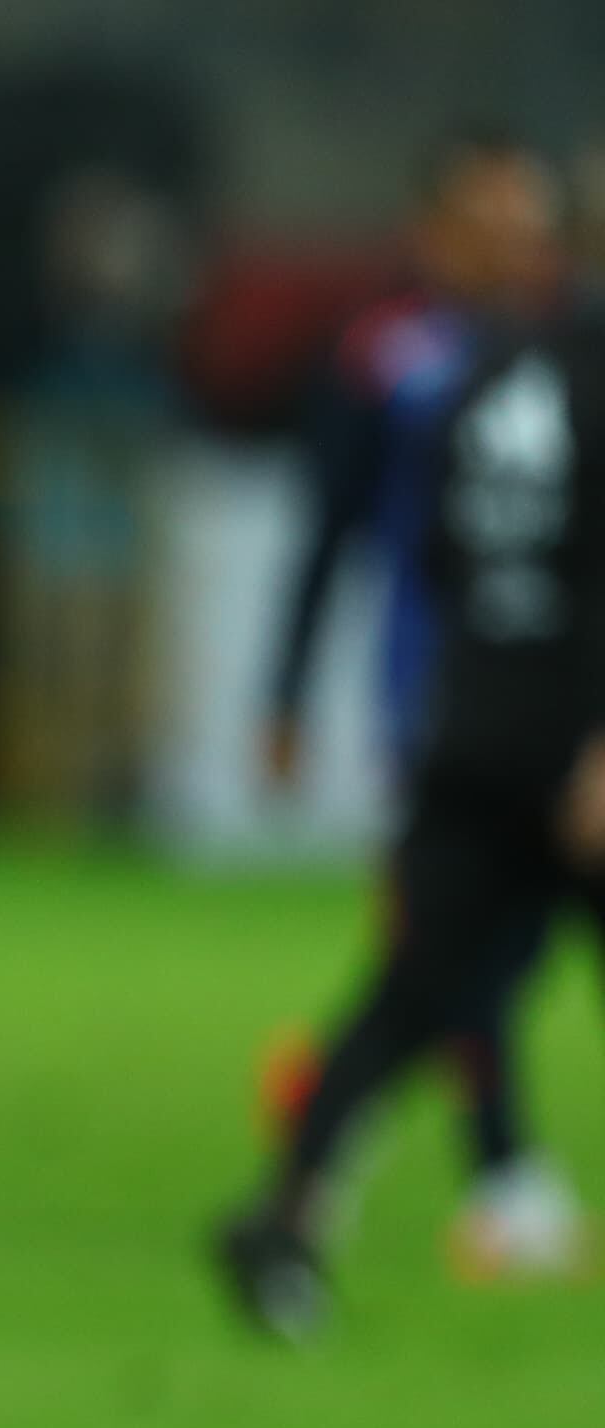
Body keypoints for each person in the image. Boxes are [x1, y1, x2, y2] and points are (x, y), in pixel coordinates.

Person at [215, 313, 605, 1338]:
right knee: (441, 992)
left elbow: (430, 558)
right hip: (577, 744)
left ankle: (290, 1210)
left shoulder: (469, 381)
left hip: (470, 731)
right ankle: (488, 1188)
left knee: (412, 994)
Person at [260, 129, 580, 1281]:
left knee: (476, 954)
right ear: (434, 230)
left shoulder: (559, 351)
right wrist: (287, 690)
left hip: (556, 700)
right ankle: (497, 1177)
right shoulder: (389, 358)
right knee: (467, 951)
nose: (513, 246)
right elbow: (332, 528)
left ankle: (332, 1127)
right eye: (488, 224)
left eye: (528, 225)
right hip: (444, 701)